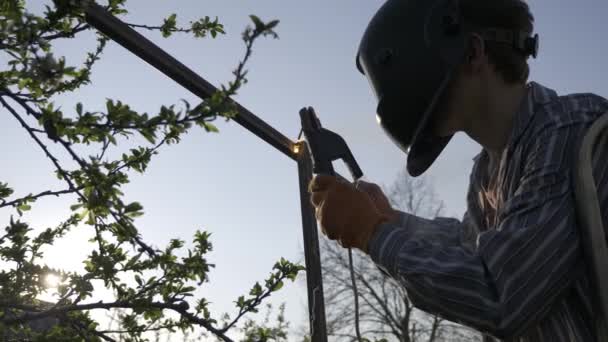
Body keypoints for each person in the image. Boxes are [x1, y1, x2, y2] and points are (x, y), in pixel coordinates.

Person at [308, 0, 608, 341]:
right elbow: (472, 248)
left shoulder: (567, 131)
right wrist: (389, 219)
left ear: (473, 51)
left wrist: (372, 232)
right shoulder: (487, 172)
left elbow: (501, 295)